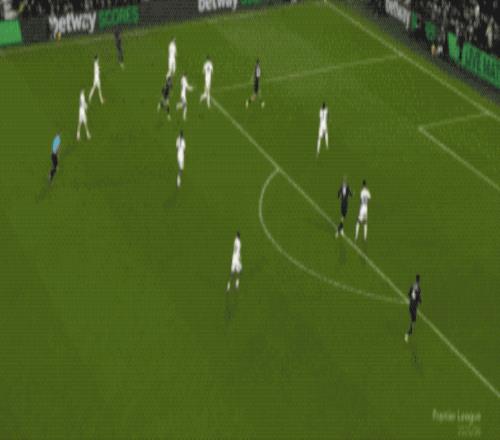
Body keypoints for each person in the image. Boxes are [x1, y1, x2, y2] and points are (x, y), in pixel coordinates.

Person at [405, 275, 422, 342]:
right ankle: (408, 333)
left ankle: (409, 332)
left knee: (413, 320)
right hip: (413, 306)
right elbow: (419, 298)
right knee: (413, 320)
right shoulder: (419, 289)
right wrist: (420, 301)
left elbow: (409, 294)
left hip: (411, 305)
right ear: (419, 280)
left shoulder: (412, 285)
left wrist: (411, 299)